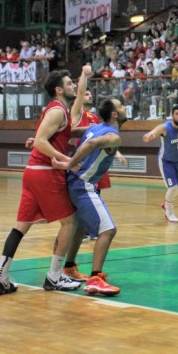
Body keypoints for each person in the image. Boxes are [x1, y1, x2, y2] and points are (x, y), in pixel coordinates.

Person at [0, 70, 83, 295]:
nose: (73, 86)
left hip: (33, 172)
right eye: (70, 83)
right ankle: (54, 276)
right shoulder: (57, 110)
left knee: (21, 226)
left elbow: (46, 137)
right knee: (70, 223)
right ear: (59, 89)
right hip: (45, 172)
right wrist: (68, 160)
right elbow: (41, 142)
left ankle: (1, 278)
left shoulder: (56, 110)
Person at [52, 98, 128, 295]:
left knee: (79, 227)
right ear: (114, 114)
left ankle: (68, 266)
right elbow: (93, 143)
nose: (124, 108)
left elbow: (69, 131)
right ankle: (95, 278)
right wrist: (69, 162)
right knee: (108, 230)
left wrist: (42, 138)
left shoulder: (94, 126)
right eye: (120, 106)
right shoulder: (113, 136)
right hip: (82, 185)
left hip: (74, 182)